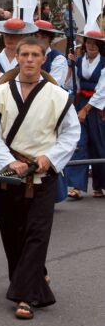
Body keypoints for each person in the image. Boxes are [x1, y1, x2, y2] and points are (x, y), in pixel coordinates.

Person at [0, 37, 80, 320]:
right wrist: (8, 162)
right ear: (17, 57)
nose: (29, 60)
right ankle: (36, 276)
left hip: (42, 174)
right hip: (9, 174)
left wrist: (50, 159)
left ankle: (24, 295)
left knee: (37, 232)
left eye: (35, 55)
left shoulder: (58, 96)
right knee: (12, 234)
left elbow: (71, 133)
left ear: (43, 59)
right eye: (24, 54)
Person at [65, 29, 105, 200]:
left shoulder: (104, 63)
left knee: (99, 145)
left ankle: (100, 186)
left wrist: (86, 109)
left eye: (95, 44)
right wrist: (70, 66)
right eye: (89, 42)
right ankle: (76, 186)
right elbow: (71, 84)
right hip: (81, 103)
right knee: (79, 143)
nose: (91, 46)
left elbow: (102, 91)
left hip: (97, 107)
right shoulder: (79, 60)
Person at [0, 17, 37, 101]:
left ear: (22, 37)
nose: (9, 39)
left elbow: (26, 88)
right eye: (6, 35)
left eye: (14, 36)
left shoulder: (28, 62)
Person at [34, 19, 68, 87]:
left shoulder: (58, 58)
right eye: (36, 37)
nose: (39, 41)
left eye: (43, 37)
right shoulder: (25, 55)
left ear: (50, 39)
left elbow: (54, 84)